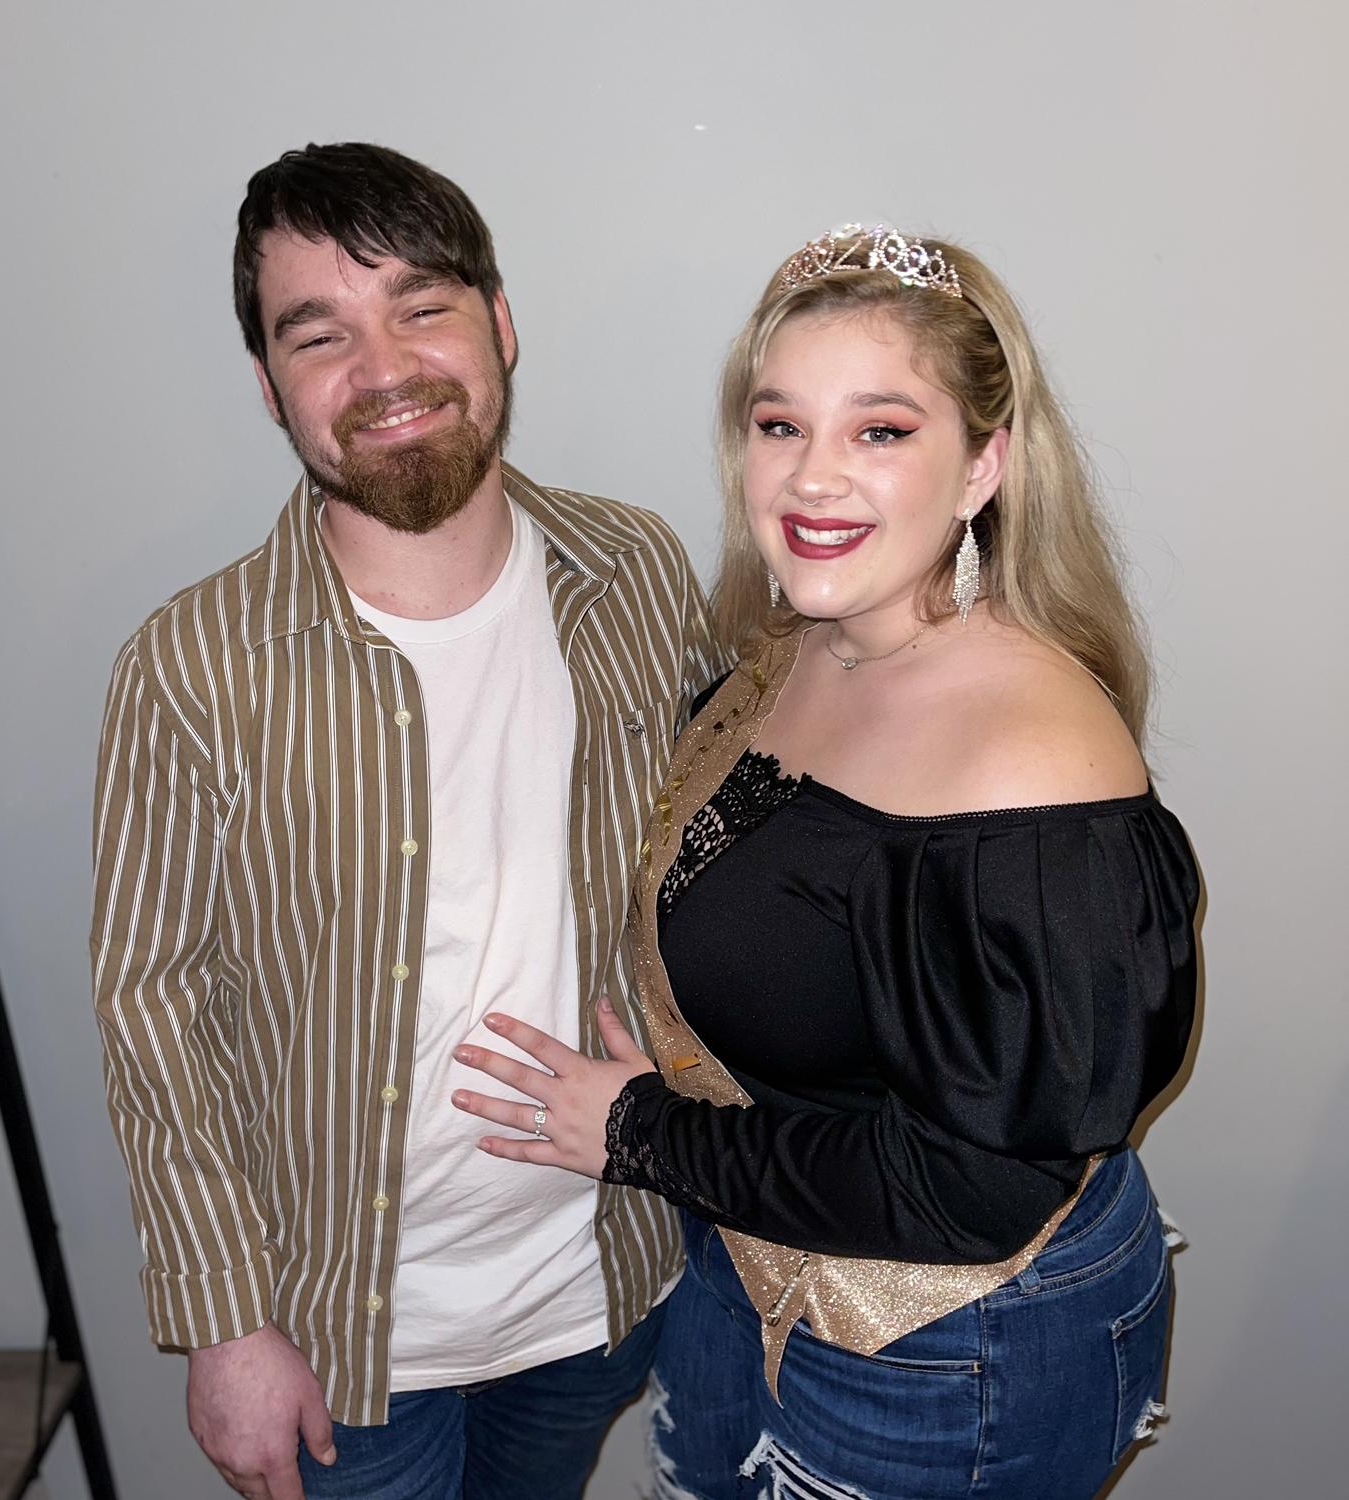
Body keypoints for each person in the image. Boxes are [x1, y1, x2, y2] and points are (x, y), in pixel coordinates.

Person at [451, 223, 1200, 1499]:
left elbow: (976, 1186)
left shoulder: (1033, 770)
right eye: (779, 424)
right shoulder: (803, 640)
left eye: (881, 430)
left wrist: (639, 1130)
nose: (811, 478)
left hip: (947, 1344)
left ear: (984, 464)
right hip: (748, 1254)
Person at [89, 142, 724, 1500]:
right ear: (270, 386)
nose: (382, 368)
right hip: (343, 1345)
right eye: (319, 335)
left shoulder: (637, 573)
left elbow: (722, 867)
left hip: (600, 1284)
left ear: (499, 325)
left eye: (422, 308)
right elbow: (152, 1005)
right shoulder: (190, 666)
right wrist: (224, 1323)